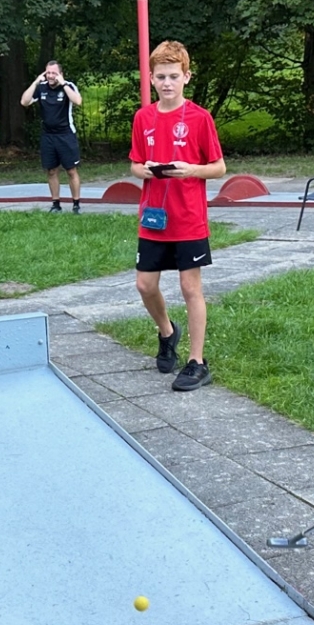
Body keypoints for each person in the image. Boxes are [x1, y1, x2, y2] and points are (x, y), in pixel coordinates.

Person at [130, 40, 226, 392]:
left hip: (188, 218)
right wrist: (145, 170)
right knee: (144, 284)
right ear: (151, 79)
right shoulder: (143, 117)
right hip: (154, 218)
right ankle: (167, 332)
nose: (167, 83)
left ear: (186, 76)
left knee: (190, 287)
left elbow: (219, 167)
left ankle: (197, 362)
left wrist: (191, 170)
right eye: (160, 77)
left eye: (173, 76)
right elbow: (135, 163)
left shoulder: (200, 118)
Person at [21, 61, 83, 211]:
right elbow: (24, 101)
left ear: (60, 74)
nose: (50, 76)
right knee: (51, 171)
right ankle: (56, 204)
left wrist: (63, 84)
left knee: (71, 170)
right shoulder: (41, 87)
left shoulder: (68, 86)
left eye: (54, 73)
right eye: (48, 73)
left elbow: (78, 101)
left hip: (66, 134)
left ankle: (76, 204)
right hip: (48, 135)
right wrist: (36, 82)